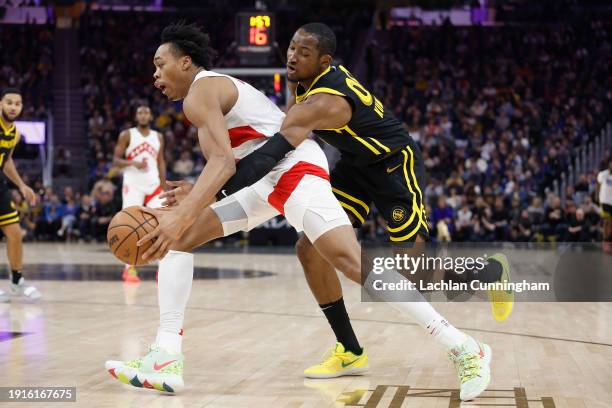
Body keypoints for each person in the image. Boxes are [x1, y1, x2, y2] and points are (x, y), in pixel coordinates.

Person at [106, 22, 500, 402]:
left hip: (296, 169)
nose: (155, 74)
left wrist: (187, 209)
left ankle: (465, 346)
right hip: (265, 180)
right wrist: (195, 199)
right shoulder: (208, 94)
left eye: (160, 64)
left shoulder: (201, 92)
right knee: (179, 241)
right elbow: (227, 165)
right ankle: (165, 355)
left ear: (186, 62)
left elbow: (226, 165)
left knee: (350, 261)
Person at [112, 105, 166, 282]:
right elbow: (115, 160)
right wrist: (132, 163)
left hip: (153, 185)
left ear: (150, 116)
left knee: (163, 224)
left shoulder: (158, 136)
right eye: (140, 113)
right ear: (136, 117)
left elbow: (161, 162)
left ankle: (163, 269)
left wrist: (164, 186)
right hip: (133, 185)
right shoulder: (127, 135)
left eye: (146, 112)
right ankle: (129, 269)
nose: (143, 115)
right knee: (129, 226)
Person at [0, 88, 41, 302]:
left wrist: (22, 185)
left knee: (15, 233)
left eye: (17, 103)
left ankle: (16, 282)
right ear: (1, 104)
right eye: (9, 102)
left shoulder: (14, 133)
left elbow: (6, 161)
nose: (13, 107)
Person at [596, 158, 612, 253]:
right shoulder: (604, 174)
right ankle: (605, 242)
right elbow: (598, 183)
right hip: (605, 201)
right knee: (607, 221)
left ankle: (608, 241)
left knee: (610, 223)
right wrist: (597, 196)